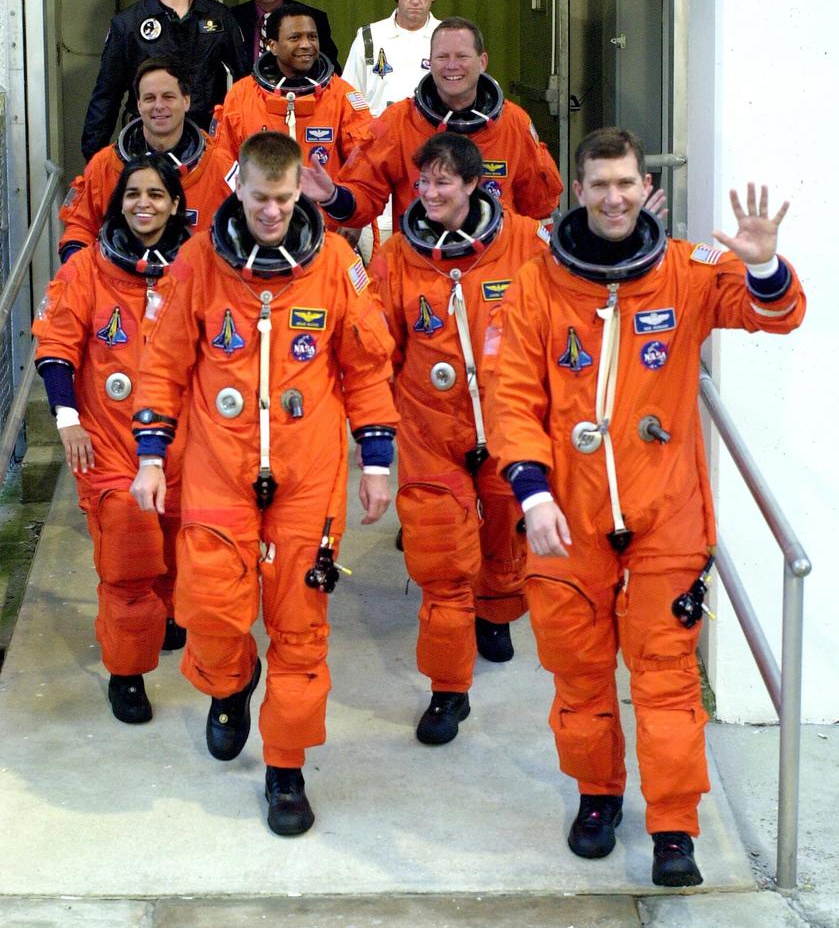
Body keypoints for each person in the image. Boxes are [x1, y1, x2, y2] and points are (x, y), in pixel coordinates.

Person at [486, 127, 806, 888]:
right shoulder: (535, 285)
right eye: (599, 184)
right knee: (578, 671)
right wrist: (530, 494)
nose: (613, 196)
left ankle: (673, 828)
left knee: (663, 676)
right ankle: (596, 796)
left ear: (643, 186)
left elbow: (774, 314)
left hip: (666, 514)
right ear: (579, 191)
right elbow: (511, 401)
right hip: (567, 516)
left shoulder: (685, 271)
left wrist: (761, 264)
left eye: (624, 182)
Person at [130, 131, 398, 837]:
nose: (273, 212)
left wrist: (375, 463)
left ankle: (285, 772)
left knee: (300, 629)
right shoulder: (197, 264)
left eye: (284, 199)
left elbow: (366, 368)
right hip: (219, 468)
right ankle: (230, 683)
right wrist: (152, 456)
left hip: (306, 477)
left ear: (297, 192)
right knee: (211, 612)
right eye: (260, 198)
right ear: (237, 191)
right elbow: (161, 365)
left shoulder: (336, 263)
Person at [370, 132, 549, 745]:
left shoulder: (523, 241)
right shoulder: (396, 257)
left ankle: (497, 609)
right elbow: (376, 348)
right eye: (423, 183)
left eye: (444, 182)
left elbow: (563, 310)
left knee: (503, 532)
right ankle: (449, 691)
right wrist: (379, 428)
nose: (430, 193)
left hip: (506, 425)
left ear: (474, 185)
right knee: (443, 565)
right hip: (430, 430)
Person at [33, 156, 193, 724]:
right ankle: (128, 674)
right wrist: (67, 419)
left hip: (184, 441)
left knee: (178, 544)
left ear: (176, 203)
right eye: (132, 194)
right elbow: (56, 346)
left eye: (155, 193)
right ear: (117, 202)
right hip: (109, 443)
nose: (142, 203)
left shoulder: (199, 268)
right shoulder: (87, 271)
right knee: (129, 553)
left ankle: (169, 612)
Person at [300, 17, 562, 231]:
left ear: (483, 62)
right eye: (442, 57)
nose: (451, 66)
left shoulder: (513, 123)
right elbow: (364, 192)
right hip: (419, 264)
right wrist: (334, 196)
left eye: (462, 56)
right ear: (429, 62)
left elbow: (540, 207)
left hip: (494, 270)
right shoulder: (398, 122)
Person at [81, 0, 248, 158]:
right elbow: (107, 95)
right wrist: (93, 159)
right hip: (147, 143)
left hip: (208, 144)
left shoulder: (219, 18)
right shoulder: (128, 24)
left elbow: (247, 85)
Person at [62, 58, 233, 262]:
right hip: (119, 286)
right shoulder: (105, 165)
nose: (159, 106)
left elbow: (242, 232)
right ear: (139, 104)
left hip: (193, 287)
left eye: (168, 97)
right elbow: (80, 227)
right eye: (150, 98)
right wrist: (77, 266)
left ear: (186, 101)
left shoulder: (220, 166)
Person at [211, 5, 370, 180]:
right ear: (273, 45)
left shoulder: (342, 95)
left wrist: (335, 199)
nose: (306, 45)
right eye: (295, 38)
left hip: (323, 205)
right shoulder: (242, 95)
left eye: (312, 37)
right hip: (261, 205)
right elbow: (223, 165)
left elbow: (363, 166)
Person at [342, 0, 442, 116]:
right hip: (377, 138)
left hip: (431, 138)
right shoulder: (369, 37)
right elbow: (349, 96)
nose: (416, 0)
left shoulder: (448, 39)